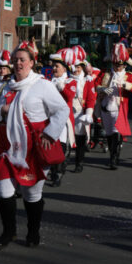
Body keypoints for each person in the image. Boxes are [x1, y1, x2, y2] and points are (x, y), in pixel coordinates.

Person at [0, 41, 69, 250]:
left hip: (33, 146)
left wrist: (51, 134)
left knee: (31, 193)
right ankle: (8, 231)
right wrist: (2, 110)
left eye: (23, 60)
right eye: (15, 60)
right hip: (6, 145)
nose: (18, 63)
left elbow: (62, 110)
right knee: (3, 191)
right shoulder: (3, 85)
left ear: (32, 63)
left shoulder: (42, 85)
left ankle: (33, 231)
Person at [95, 43, 132, 170]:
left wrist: (125, 84)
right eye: (115, 64)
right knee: (109, 134)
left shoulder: (128, 76)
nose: (117, 67)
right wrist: (103, 88)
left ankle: (113, 159)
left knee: (116, 133)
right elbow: (95, 85)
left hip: (118, 109)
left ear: (124, 65)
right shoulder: (105, 73)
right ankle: (114, 154)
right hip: (105, 107)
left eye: (120, 65)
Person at [48, 48, 78, 187]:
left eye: (57, 66)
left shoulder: (70, 82)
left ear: (65, 68)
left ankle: (58, 173)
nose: (54, 68)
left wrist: (61, 86)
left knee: (61, 147)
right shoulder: (48, 81)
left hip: (64, 120)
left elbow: (69, 97)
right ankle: (53, 171)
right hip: (50, 118)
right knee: (50, 146)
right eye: (53, 65)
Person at [70, 49, 97, 173]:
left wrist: (88, 114)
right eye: (74, 66)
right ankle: (60, 167)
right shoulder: (66, 79)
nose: (76, 69)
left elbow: (91, 98)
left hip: (81, 113)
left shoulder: (88, 81)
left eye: (78, 67)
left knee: (80, 140)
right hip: (68, 113)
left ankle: (79, 163)